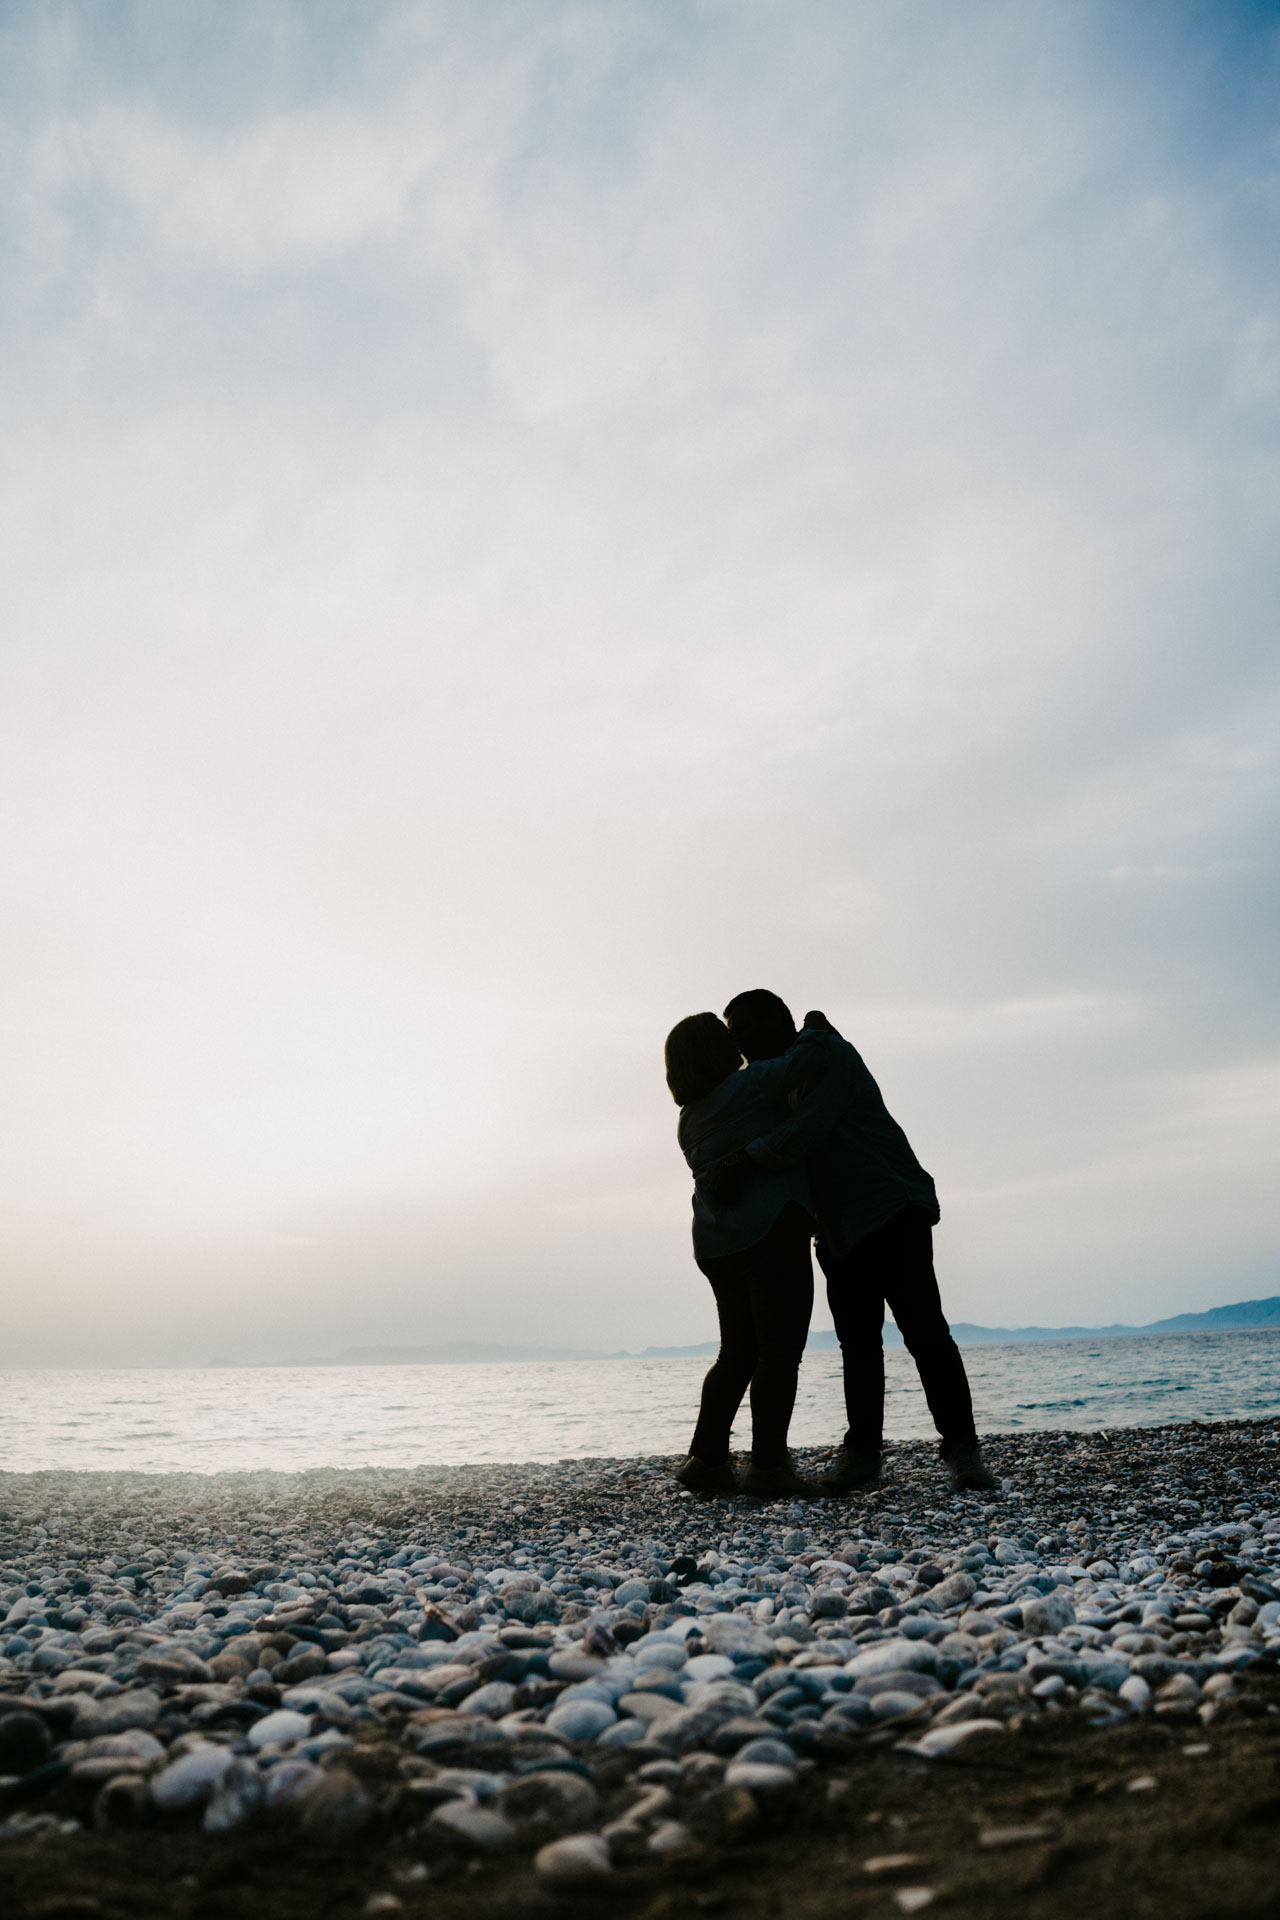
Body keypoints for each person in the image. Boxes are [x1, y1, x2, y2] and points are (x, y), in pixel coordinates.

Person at [717, 989, 996, 1495]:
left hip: (890, 1204)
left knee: (926, 1332)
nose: (736, 1041)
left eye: (743, 1028)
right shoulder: (774, 1083)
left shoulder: (827, 1053)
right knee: (858, 1345)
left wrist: (741, 1162)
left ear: (777, 1021)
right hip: (838, 1229)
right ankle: (863, 1455)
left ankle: (963, 1451)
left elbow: (809, 1128)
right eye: (729, 1033)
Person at [664, 1011, 816, 1499]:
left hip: (715, 1244)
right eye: (725, 1036)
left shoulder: (688, 1119)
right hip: (768, 1231)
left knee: (737, 1352)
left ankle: (707, 1458)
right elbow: (807, 1058)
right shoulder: (747, 1088)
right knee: (779, 1352)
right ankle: (769, 1466)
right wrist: (813, 1023)